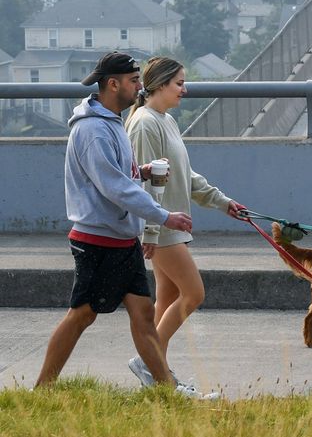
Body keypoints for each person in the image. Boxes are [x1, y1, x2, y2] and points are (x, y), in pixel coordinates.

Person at [35, 51, 211, 399]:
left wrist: (141, 172)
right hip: (98, 240)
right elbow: (114, 187)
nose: (139, 86)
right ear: (112, 84)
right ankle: (41, 389)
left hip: (120, 238)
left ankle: (167, 391)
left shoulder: (112, 122)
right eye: (133, 81)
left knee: (145, 318)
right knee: (82, 315)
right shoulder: (93, 130)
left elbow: (120, 177)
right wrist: (162, 216)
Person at [124, 56, 244, 388]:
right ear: (159, 84)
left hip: (170, 225)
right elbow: (144, 182)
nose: (184, 90)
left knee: (168, 297)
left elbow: (184, 175)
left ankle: (156, 370)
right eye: (179, 83)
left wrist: (222, 202)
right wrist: (150, 229)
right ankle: (150, 362)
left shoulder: (166, 120)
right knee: (193, 294)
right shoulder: (145, 123)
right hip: (161, 227)